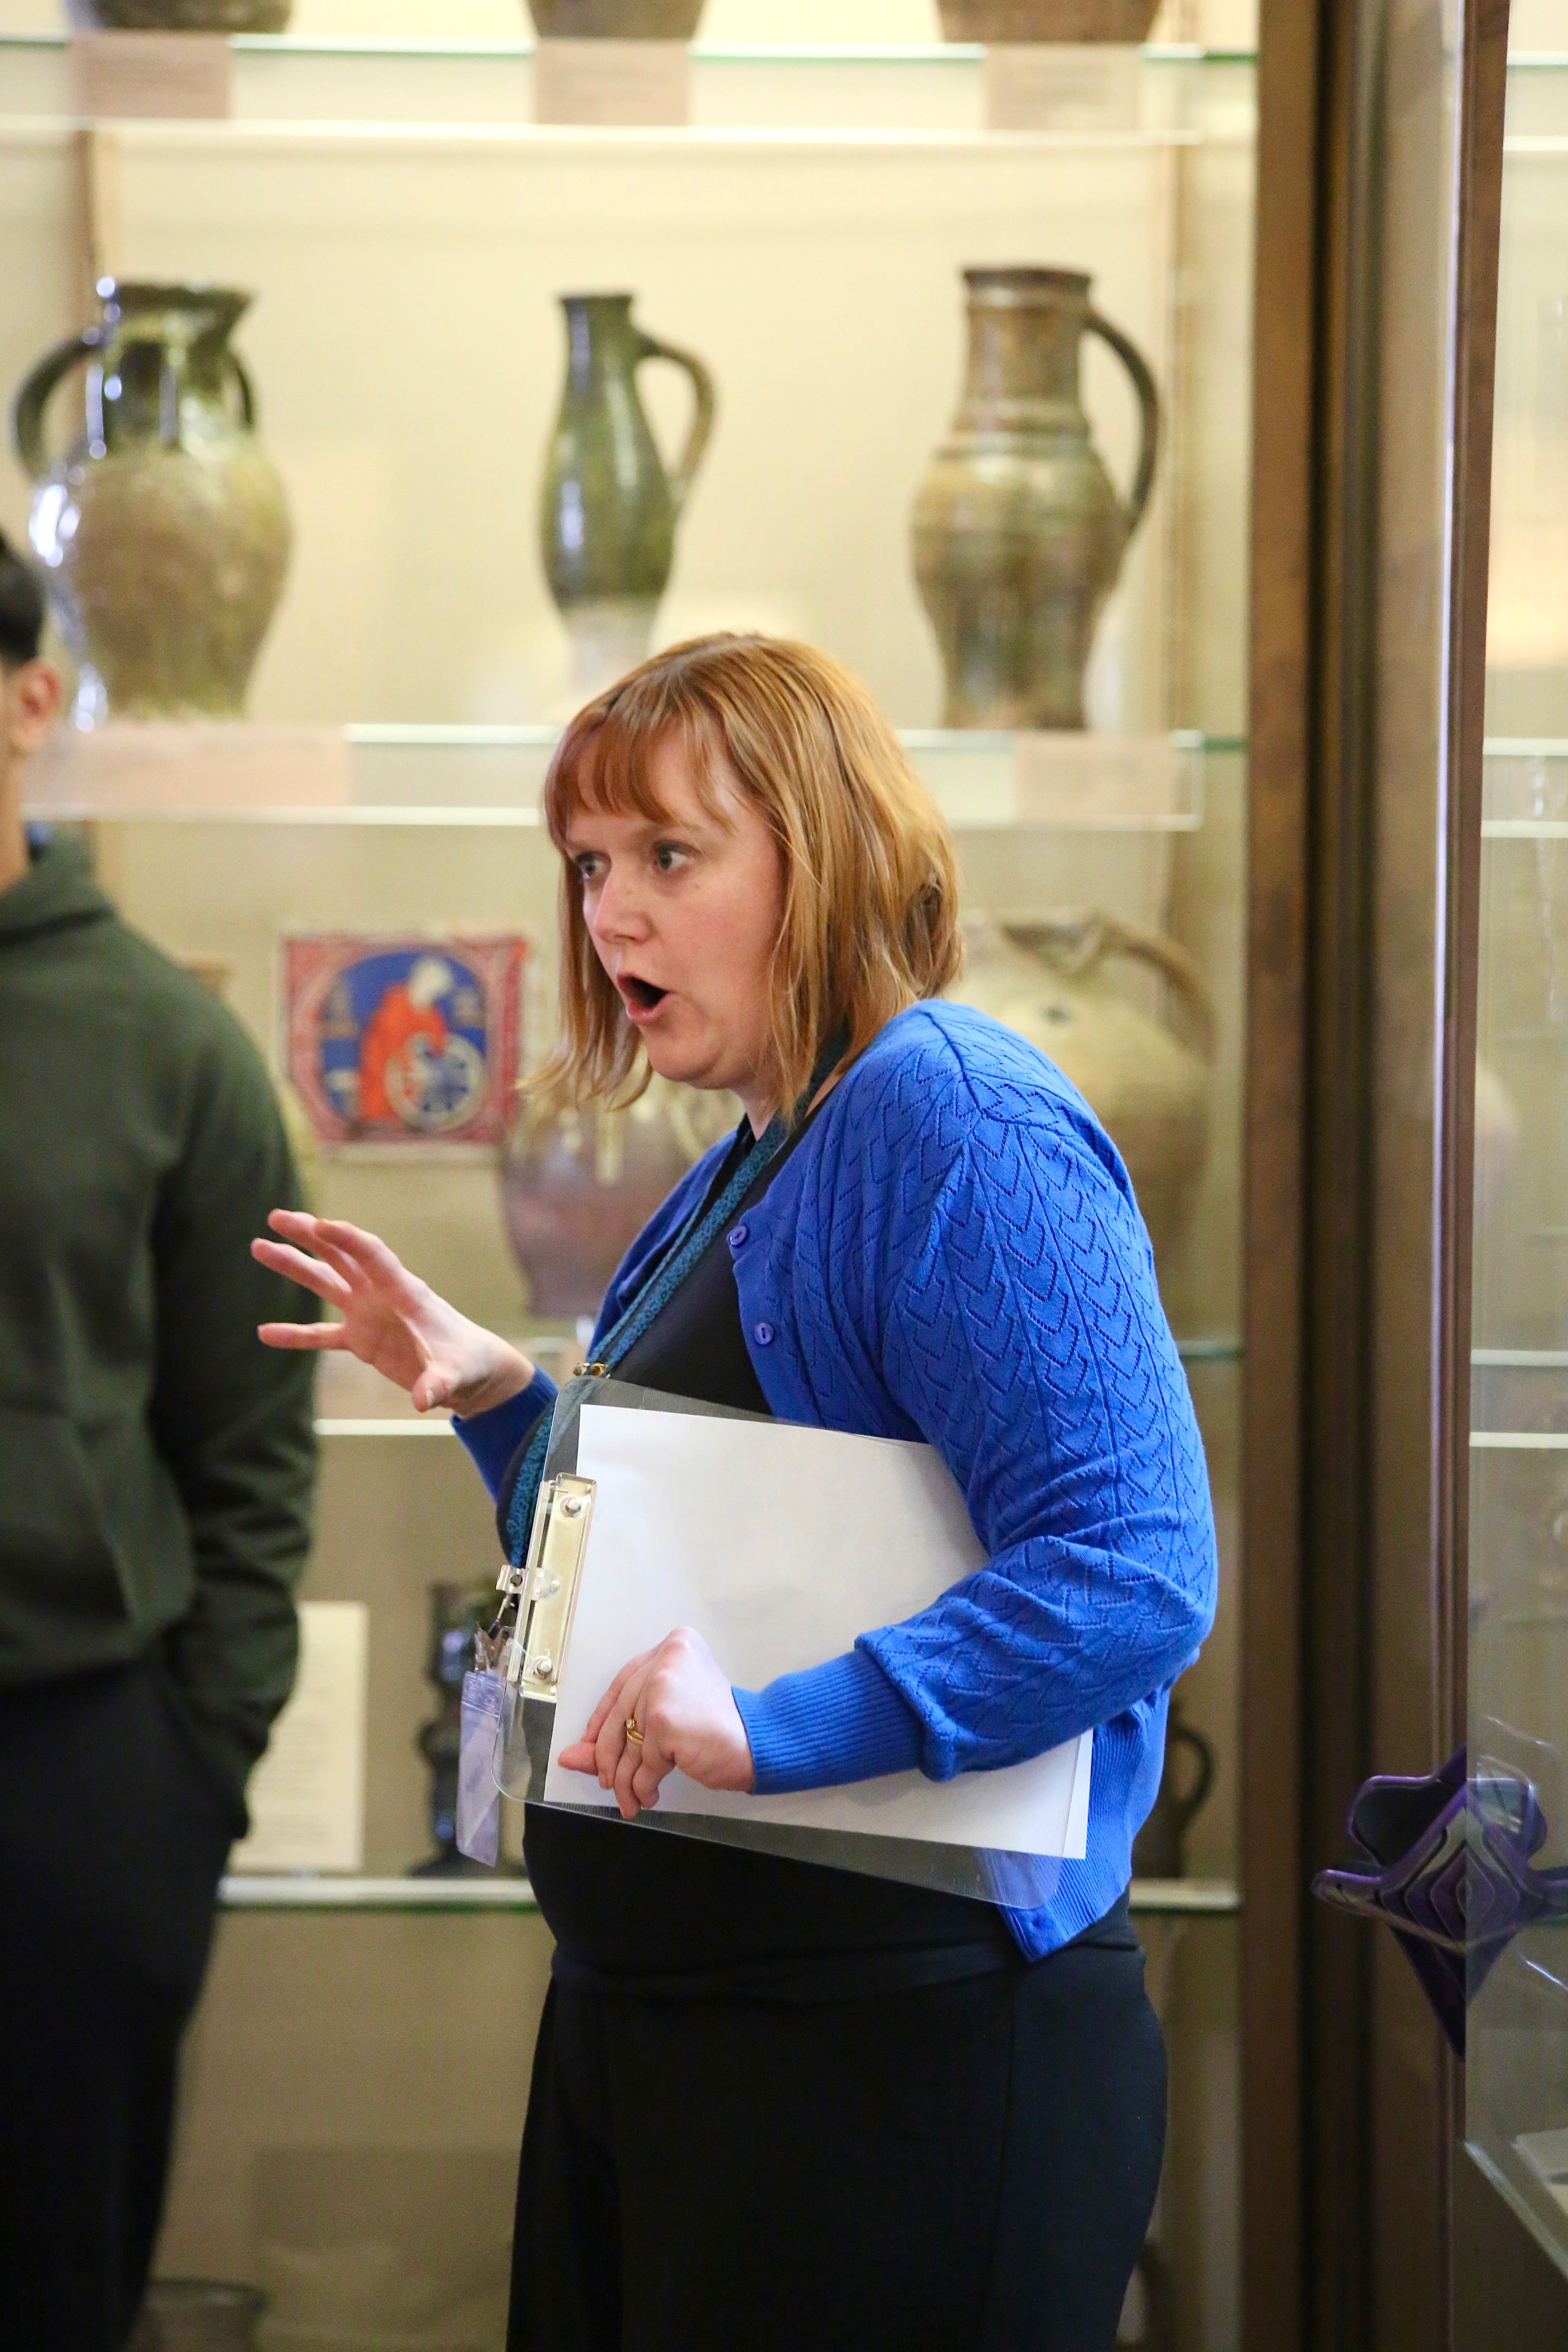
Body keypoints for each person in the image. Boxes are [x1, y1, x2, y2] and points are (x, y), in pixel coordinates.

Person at [256, 632, 1218, 2352]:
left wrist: (782, 1727)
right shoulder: (765, 1143)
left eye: (669, 859)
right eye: (590, 866)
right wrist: (495, 1399)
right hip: (706, 2038)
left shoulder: (955, 1121)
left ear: (825, 850)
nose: (610, 915)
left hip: (897, 2068)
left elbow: (1137, 1569)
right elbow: (694, 1547)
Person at [0, 529, 318, 2347]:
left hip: (68, 1777)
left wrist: (190, 1771)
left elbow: (253, 1445)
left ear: (35, 701)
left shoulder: (161, 1047)